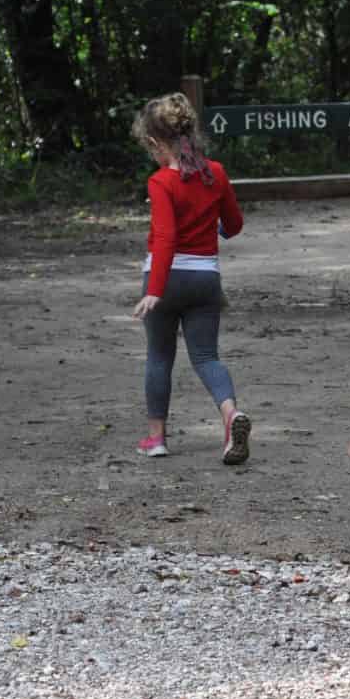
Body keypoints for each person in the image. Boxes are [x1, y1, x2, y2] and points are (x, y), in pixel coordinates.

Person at [130, 93, 251, 465]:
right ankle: (230, 415)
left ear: (154, 143)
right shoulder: (215, 173)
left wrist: (154, 290)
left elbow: (166, 236)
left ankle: (156, 438)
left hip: (166, 280)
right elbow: (234, 225)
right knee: (206, 356)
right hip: (205, 281)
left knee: (159, 357)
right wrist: (214, 226)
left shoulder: (160, 182)